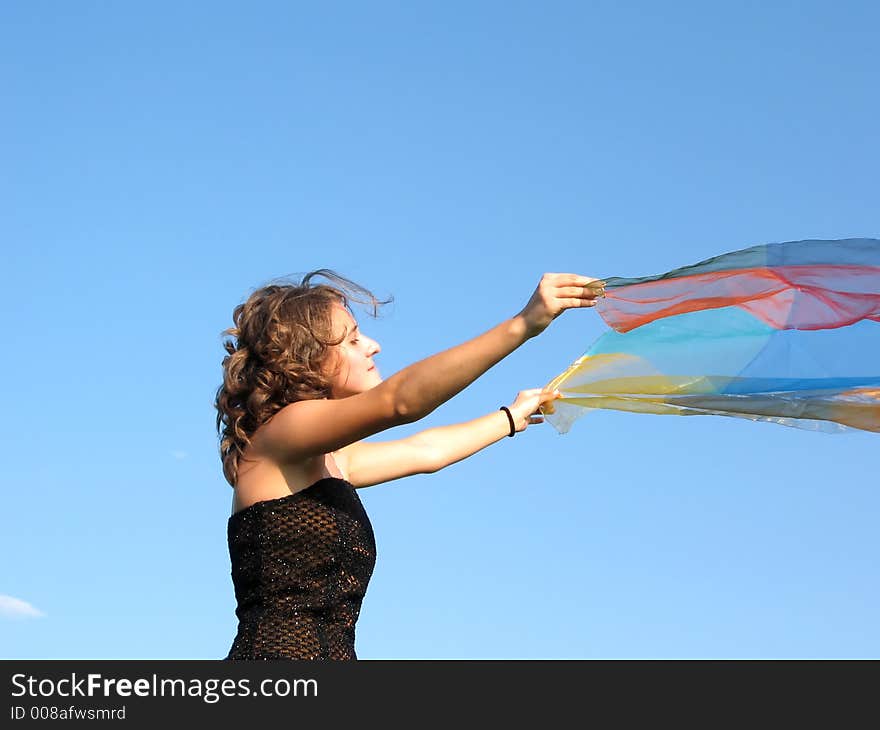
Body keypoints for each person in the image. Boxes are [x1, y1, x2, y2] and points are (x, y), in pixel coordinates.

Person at [215, 268, 605, 659]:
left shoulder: (330, 462)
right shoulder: (279, 436)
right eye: (352, 339)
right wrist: (523, 324)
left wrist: (509, 417)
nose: (373, 346)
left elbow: (425, 452)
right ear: (306, 358)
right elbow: (399, 402)